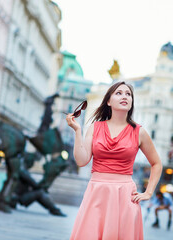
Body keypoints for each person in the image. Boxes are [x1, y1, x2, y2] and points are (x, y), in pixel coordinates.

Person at [66, 81, 162, 240]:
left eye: (128, 94)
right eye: (119, 93)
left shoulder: (139, 132)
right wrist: (77, 131)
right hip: (97, 192)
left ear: (131, 102)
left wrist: (149, 192)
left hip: (125, 195)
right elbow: (82, 161)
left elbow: (156, 163)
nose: (125, 96)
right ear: (108, 101)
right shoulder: (95, 128)